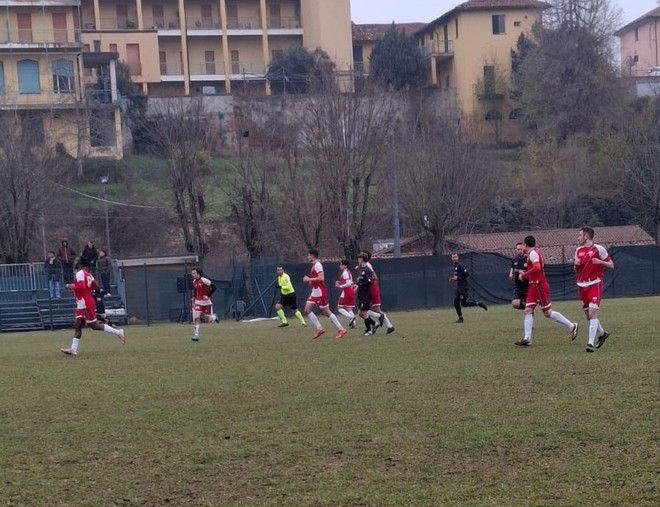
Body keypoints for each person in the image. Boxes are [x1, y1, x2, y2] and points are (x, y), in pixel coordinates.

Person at [515, 235, 579, 347]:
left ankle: (571, 325)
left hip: (539, 286)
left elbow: (537, 267)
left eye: (523, 245)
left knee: (548, 313)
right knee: (528, 310)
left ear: (525, 245)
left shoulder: (533, 253)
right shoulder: (533, 252)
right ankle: (527, 338)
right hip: (533, 286)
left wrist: (524, 275)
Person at [60, 256, 126, 356]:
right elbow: (95, 285)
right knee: (77, 325)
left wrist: (70, 286)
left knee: (94, 325)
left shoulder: (80, 273)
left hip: (85, 303)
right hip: (82, 303)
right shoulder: (88, 274)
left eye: (76, 261)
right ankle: (73, 349)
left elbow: (81, 286)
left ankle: (118, 332)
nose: (74, 262)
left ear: (81, 263)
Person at [574, 227, 614, 353]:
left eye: (580, 235)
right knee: (588, 316)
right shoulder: (578, 250)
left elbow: (611, 265)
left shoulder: (599, 249)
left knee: (592, 314)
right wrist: (576, 265)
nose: (578, 237)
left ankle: (590, 343)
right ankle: (602, 333)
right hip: (581, 285)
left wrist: (600, 262)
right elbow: (575, 270)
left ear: (586, 236)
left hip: (595, 284)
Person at [302, 249, 347, 339]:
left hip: (320, 292)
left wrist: (309, 279)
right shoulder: (314, 265)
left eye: (309, 255)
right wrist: (311, 281)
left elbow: (321, 278)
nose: (308, 257)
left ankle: (341, 329)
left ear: (313, 255)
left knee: (326, 312)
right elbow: (316, 278)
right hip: (315, 292)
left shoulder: (318, 265)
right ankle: (319, 329)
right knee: (307, 310)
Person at [359, 250, 395, 334]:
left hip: (372, 288)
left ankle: (375, 326)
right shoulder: (365, 266)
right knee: (366, 310)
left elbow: (374, 276)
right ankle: (388, 326)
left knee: (365, 310)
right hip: (371, 288)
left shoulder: (367, 266)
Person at [449, 252, 488, 323]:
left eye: (455, 257)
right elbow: (458, 277)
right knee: (457, 302)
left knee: (464, 303)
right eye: (453, 257)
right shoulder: (456, 266)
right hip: (459, 287)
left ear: (458, 257)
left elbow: (467, 274)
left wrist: (458, 277)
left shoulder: (460, 265)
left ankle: (479, 304)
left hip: (463, 288)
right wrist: (454, 278)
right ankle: (461, 318)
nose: (454, 258)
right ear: (451, 258)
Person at [190, 267, 219, 342]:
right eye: (192, 273)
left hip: (206, 303)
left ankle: (214, 318)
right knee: (196, 317)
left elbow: (214, 287)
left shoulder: (204, 280)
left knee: (207, 319)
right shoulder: (194, 281)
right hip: (198, 302)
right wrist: (194, 297)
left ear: (198, 274)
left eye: (194, 273)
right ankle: (196, 335)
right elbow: (196, 290)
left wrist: (208, 296)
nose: (192, 274)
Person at [355, 253, 378, 335]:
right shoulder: (363, 270)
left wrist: (360, 283)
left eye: (359, 259)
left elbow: (368, 282)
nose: (358, 260)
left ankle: (371, 327)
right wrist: (357, 284)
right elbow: (362, 281)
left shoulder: (367, 270)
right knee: (361, 313)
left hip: (365, 294)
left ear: (362, 259)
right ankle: (371, 327)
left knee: (362, 313)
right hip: (361, 294)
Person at [335, 259, 356, 329]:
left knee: (339, 307)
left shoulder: (345, 273)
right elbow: (349, 282)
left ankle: (351, 317)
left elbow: (348, 283)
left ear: (345, 266)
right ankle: (353, 323)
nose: (340, 266)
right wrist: (340, 282)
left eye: (341, 264)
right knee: (349, 308)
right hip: (350, 291)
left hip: (347, 291)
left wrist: (340, 286)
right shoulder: (348, 272)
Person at [509, 242, 529, 310]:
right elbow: (512, 267)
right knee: (515, 304)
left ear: (524, 249)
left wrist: (523, 274)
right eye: (518, 249)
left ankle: (529, 309)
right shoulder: (514, 260)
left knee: (528, 306)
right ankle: (528, 308)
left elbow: (532, 271)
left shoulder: (528, 259)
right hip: (518, 287)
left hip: (527, 286)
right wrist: (511, 274)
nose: (520, 251)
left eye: (521, 249)